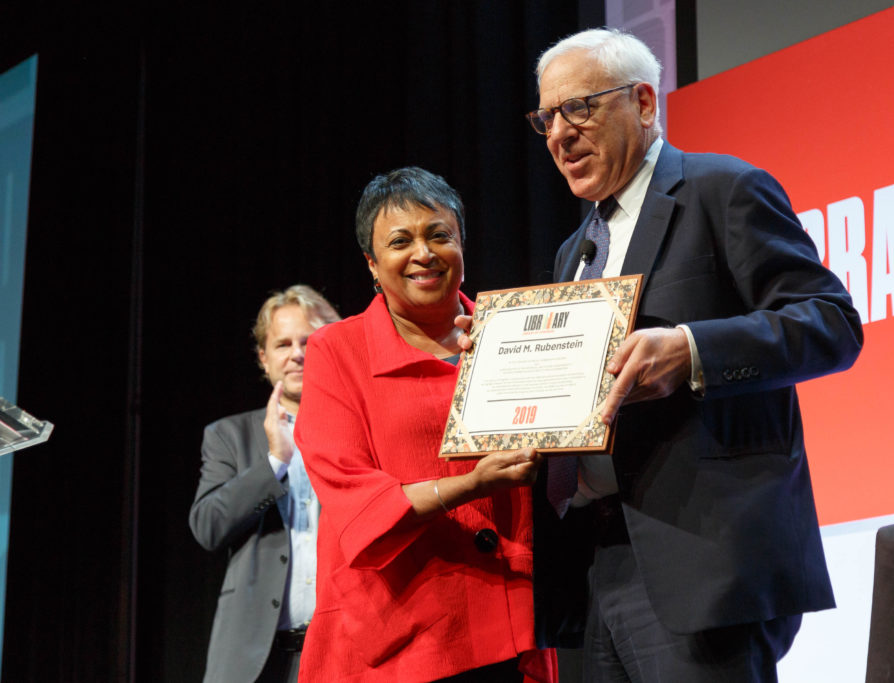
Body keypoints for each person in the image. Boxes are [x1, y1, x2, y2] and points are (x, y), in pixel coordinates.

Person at [520, 28, 864, 681]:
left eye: (579, 108)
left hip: (699, 556)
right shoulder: (574, 251)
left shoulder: (722, 189)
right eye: (546, 117)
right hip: (596, 558)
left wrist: (691, 349)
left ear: (645, 103)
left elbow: (831, 322)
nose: (559, 134)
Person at [293, 167, 557, 683]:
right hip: (395, 642)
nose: (424, 253)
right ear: (372, 264)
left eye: (440, 235)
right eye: (400, 241)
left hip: (510, 624)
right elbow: (354, 496)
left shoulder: (512, 335)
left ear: (462, 244)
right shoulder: (337, 351)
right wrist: (471, 484)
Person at [190, 285, 341, 683]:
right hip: (255, 660)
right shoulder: (229, 435)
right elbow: (207, 526)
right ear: (264, 357)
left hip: (343, 653)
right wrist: (276, 459)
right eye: (283, 344)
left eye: (310, 341)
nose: (297, 354)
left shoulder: (360, 431)